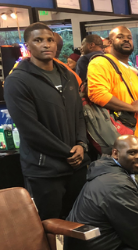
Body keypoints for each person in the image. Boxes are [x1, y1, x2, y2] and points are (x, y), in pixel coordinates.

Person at [4, 22, 88, 220]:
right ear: (27, 46)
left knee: (79, 224)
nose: (46, 44)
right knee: (49, 226)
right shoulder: (17, 81)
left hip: (76, 167)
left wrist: (82, 144)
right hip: (44, 170)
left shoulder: (67, 75)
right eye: (38, 40)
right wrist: (66, 152)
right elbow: (30, 129)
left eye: (50, 40)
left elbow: (79, 114)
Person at [65, 135, 138, 250]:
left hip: (102, 240)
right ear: (115, 153)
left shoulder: (112, 172)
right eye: (132, 153)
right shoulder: (117, 184)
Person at [87, 26, 138, 186]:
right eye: (120, 37)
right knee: (123, 196)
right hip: (119, 148)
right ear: (109, 42)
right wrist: (131, 108)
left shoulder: (132, 72)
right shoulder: (100, 62)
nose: (126, 40)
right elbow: (97, 94)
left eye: (129, 37)